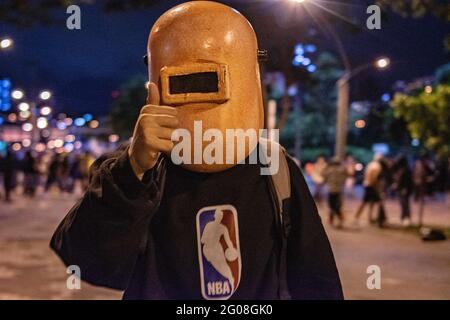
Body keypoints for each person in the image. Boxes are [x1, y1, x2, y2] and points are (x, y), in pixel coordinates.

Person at [50, 1, 342, 300]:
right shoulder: (133, 167)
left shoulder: (274, 167)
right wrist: (133, 168)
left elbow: (316, 278)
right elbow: (88, 263)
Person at [354, 155, 382, 226]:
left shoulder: (371, 164)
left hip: (367, 184)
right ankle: (358, 216)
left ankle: (368, 217)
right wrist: (374, 185)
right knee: (368, 202)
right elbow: (374, 176)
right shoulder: (377, 166)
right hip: (371, 186)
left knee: (368, 202)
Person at [322, 157, 347, 228]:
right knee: (336, 206)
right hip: (339, 190)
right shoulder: (342, 169)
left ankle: (334, 220)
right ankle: (335, 220)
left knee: (332, 206)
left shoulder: (329, 169)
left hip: (331, 190)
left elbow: (323, 175)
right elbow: (345, 178)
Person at [393, 156, 413, 226]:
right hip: (401, 189)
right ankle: (403, 217)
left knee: (405, 204)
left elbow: (407, 181)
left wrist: (405, 189)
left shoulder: (406, 170)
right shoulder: (401, 169)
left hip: (404, 190)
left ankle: (406, 218)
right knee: (403, 204)